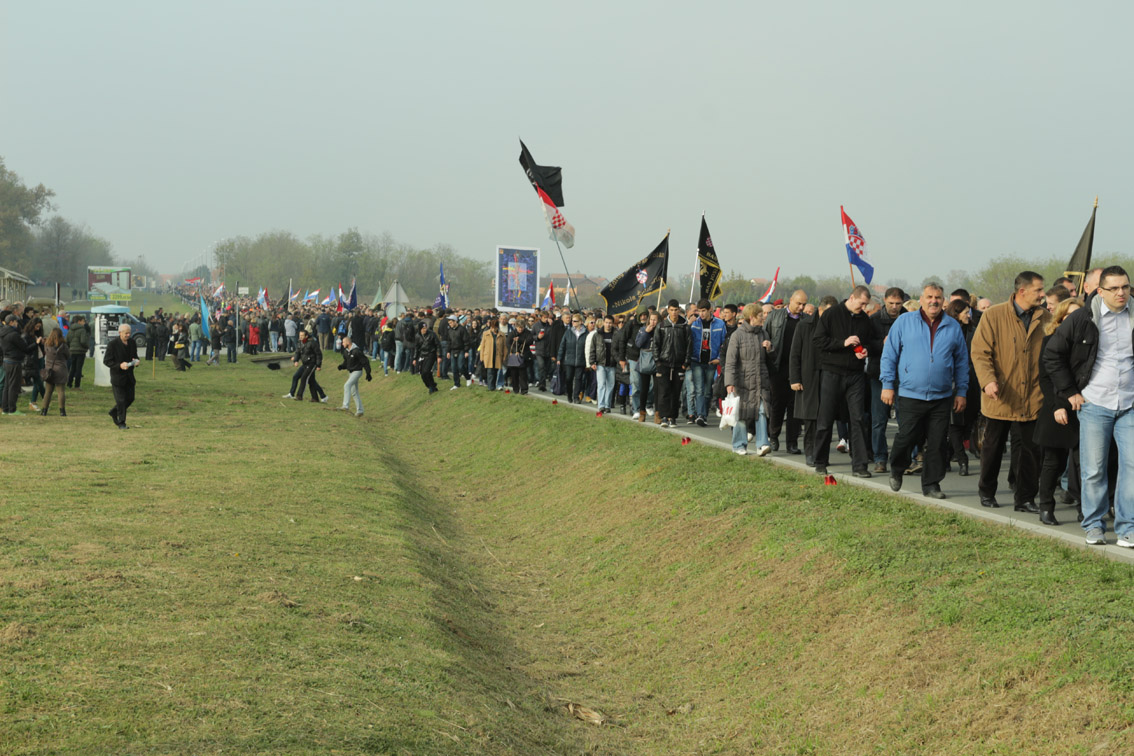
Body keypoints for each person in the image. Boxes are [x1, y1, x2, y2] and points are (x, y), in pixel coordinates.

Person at [1044, 266, 1134, 545]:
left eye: (1126, 287)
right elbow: (1052, 355)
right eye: (1114, 288)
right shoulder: (1083, 318)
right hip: (1095, 403)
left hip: (1130, 403)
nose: (1121, 293)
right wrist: (1070, 392)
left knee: (1132, 466)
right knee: (1094, 468)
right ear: (1100, 291)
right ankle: (1094, 524)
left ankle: (1127, 527)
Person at [880, 284, 970, 499]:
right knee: (906, 436)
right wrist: (887, 384)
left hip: (941, 396)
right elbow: (889, 355)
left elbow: (962, 362)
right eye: (929, 297)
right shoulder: (904, 322)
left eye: (938, 297)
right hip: (911, 393)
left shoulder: (952, 326)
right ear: (921, 299)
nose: (933, 301)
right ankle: (897, 468)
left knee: (938, 442)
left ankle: (931, 484)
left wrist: (962, 391)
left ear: (943, 301)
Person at [970, 271, 1050, 510]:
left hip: (1033, 396)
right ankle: (986, 492)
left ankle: (1025, 498)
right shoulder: (994, 315)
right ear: (1022, 291)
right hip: (1000, 395)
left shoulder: (1046, 318)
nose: (1043, 294)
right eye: (1039, 290)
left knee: (1031, 452)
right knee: (993, 448)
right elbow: (980, 352)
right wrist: (988, 381)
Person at [812, 285, 874, 477]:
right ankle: (820, 460)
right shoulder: (832, 314)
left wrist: (866, 351)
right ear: (852, 298)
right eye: (861, 303)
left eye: (866, 304)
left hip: (855, 375)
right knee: (826, 418)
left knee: (858, 419)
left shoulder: (865, 319)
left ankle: (860, 465)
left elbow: (871, 341)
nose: (863, 307)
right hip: (832, 372)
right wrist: (843, 343)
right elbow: (818, 341)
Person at [1033, 297, 1083, 526]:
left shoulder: (1090, 342)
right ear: (1060, 319)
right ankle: (1046, 507)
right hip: (1057, 406)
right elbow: (1045, 378)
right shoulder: (1050, 341)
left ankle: (1086, 508)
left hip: (1084, 406)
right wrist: (1057, 406)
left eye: (1079, 316)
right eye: (1069, 317)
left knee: (1086, 464)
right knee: (1053, 462)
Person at [725, 303, 773, 456]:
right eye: (760, 315)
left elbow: (771, 359)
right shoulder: (737, 336)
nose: (763, 318)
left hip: (760, 380)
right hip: (742, 382)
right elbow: (731, 361)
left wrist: (770, 349)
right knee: (742, 414)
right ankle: (739, 444)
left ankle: (762, 444)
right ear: (752, 317)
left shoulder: (764, 334)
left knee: (761, 411)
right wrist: (729, 383)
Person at [866, 287, 906, 472]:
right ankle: (880, 457)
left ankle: (906, 457)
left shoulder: (909, 318)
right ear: (885, 301)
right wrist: (882, 343)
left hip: (904, 376)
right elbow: (866, 346)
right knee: (879, 419)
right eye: (891, 303)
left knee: (905, 419)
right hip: (879, 375)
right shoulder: (874, 320)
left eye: (898, 304)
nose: (894, 307)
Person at [764, 290, 808, 453]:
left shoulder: (806, 320)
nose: (801, 307)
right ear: (791, 300)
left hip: (797, 369)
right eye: (799, 303)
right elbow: (765, 335)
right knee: (777, 405)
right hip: (778, 366)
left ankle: (792, 442)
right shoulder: (775, 316)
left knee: (795, 408)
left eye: (804, 304)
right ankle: (773, 437)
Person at [789, 296, 832, 465]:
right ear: (820, 310)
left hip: (829, 375)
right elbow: (795, 354)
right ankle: (810, 452)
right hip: (808, 376)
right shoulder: (804, 325)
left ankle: (822, 454)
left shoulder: (834, 327)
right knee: (810, 417)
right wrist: (795, 378)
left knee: (825, 418)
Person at [687, 298, 726, 427]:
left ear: (710, 310)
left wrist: (719, 359)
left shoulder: (720, 324)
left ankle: (704, 415)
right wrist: (688, 325)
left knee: (708, 390)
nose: (701, 314)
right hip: (696, 360)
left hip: (711, 361)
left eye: (704, 311)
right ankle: (700, 415)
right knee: (699, 389)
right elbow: (686, 340)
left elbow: (724, 344)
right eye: (699, 311)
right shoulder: (695, 323)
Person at [652, 299, 691, 428]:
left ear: (679, 310)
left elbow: (689, 346)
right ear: (668, 310)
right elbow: (656, 345)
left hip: (679, 364)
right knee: (664, 391)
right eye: (671, 310)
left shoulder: (685, 326)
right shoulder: (662, 325)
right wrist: (657, 361)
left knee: (676, 391)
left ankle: (672, 417)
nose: (674, 313)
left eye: (676, 310)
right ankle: (663, 417)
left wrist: (686, 363)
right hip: (664, 363)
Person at [104, 323, 140, 429]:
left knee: (130, 398)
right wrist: (119, 365)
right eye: (126, 333)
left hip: (129, 377)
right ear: (120, 333)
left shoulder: (132, 343)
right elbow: (107, 361)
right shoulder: (113, 344)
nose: (128, 335)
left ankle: (114, 412)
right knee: (121, 400)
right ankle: (121, 422)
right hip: (118, 377)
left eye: (129, 333)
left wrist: (136, 361)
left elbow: (135, 356)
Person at [0, 313, 33, 415]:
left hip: (6, 360)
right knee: (14, 386)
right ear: (11, 322)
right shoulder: (13, 335)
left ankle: (5, 408)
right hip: (14, 361)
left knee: (7, 386)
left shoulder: (2, 332)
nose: (17, 324)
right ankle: (12, 409)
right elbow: (25, 348)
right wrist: (35, 343)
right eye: (16, 322)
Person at [588, 314, 618, 411]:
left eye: (610, 323)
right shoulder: (597, 334)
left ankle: (607, 405)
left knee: (610, 385)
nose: (608, 325)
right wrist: (592, 362)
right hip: (600, 363)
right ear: (603, 323)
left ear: (612, 324)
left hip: (612, 364)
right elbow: (592, 349)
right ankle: (601, 405)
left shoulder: (616, 334)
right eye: (606, 322)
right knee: (601, 385)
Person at [336, 335, 371, 416]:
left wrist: (368, 373)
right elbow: (346, 362)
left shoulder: (357, 351)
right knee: (354, 392)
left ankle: (345, 406)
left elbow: (365, 361)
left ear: (348, 342)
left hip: (357, 371)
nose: (342, 344)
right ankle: (360, 410)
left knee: (346, 385)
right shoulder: (346, 351)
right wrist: (342, 366)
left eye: (343, 342)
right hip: (351, 372)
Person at [557, 314, 588, 403]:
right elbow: (562, 345)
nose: (573, 322)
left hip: (581, 360)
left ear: (581, 322)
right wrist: (559, 357)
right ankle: (569, 394)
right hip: (569, 359)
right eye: (572, 321)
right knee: (569, 378)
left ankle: (576, 397)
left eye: (575, 321)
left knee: (578, 379)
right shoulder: (568, 332)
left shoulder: (586, 333)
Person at [40, 327, 70, 416]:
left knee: (48, 392)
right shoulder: (63, 345)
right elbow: (68, 356)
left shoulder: (47, 344)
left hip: (49, 370)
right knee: (61, 391)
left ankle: (44, 410)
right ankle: (62, 411)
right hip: (61, 369)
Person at [507, 317, 534, 394]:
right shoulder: (512, 333)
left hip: (524, 356)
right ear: (516, 327)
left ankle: (524, 389)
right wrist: (515, 351)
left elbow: (530, 341)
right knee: (514, 374)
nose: (520, 329)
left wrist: (520, 340)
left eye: (522, 328)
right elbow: (508, 344)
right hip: (514, 357)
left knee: (523, 374)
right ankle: (515, 389)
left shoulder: (527, 333)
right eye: (519, 328)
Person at [479, 318, 507, 391]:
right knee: (490, 371)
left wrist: (504, 357)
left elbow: (504, 347)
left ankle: (493, 386)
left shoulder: (502, 335)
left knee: (495, 372)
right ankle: (490, 387)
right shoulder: (486, 333)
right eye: (492, 327)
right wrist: (481, 357)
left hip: (497, 356)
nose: (493, 329)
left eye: (495, 327)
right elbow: (483, 346)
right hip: (488, 356)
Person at [66, 315, 90, 389]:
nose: (84, 323)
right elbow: (83, 341)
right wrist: (87, 346)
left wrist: (71, 347)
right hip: (80, 351)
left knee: (72, 368)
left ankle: (69, 383)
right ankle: (77, 385)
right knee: (78, 369)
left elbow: (67, 340)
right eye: (83, 321)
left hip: (72, 351)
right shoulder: (82, 330)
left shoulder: (70, 329)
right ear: (79, 321)